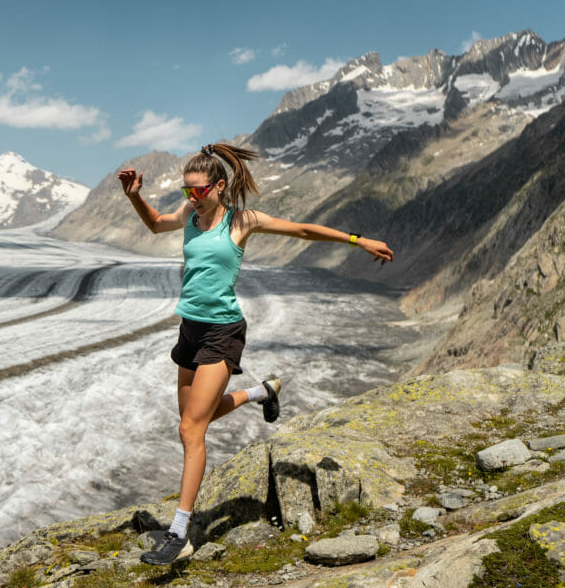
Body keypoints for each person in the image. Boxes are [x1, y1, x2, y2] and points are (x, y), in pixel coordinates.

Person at [117, 143, 394, 566]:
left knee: (192, 430)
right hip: (190, 330)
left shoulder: (241, 221)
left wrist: (358, 240)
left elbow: (301, 230)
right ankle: (262, 393)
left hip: (222, 333)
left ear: (219, 185)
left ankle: (180, 533)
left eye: (197, 190)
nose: (190, 197)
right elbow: (156, 225)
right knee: (195, 418)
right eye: (185, 190)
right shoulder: (189, 216)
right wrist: (135, 196)